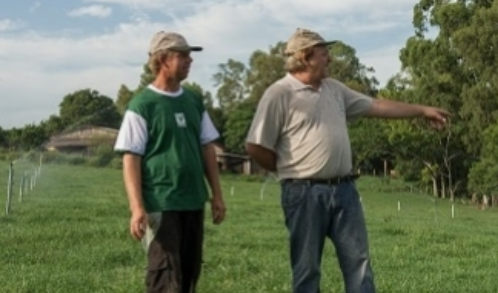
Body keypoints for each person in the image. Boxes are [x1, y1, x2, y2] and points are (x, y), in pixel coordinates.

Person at [244, 28, 450, 293]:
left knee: (359, 266)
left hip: (345, 191)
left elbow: (376, 106)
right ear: (306, 57)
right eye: (323, 53)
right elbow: (255, 145)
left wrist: (422, 110)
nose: (329, 59)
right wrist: (286, 169)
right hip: (303, 194)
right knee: (307, 271)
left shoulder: (334, 89)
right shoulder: (279, 93)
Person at [114, 31, 227, 293]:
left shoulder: (193, 101)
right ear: (163, 60)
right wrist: (136, 208)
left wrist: (217, 195)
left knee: (188, 275)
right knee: (165, 277)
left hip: (193, 200)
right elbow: (131, 157)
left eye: (190, 55)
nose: (190, 60)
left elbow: (207, 147)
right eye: (183, 55)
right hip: (161, 203)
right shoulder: (143, 105)